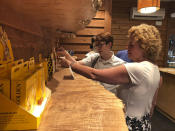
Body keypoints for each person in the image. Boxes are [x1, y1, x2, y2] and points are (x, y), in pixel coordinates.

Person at [58, 24, 162, 131]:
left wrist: (70, 64)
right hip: (144, 124)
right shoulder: (155, 69)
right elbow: (152, 104)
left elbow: (94, 74)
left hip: (128, 124)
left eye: (131, 45)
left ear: (145, 47)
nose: (127, 48)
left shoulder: (137, 69)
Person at [57, 32, 125, 94]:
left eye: (101, 45)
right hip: (93, 94)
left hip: (109, 100)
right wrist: (65, 53)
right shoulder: (95, 57)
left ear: (109, 45)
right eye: (97, 45)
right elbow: (76, 64)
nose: (99, 48)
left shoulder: (121, 64)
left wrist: (69, 63)